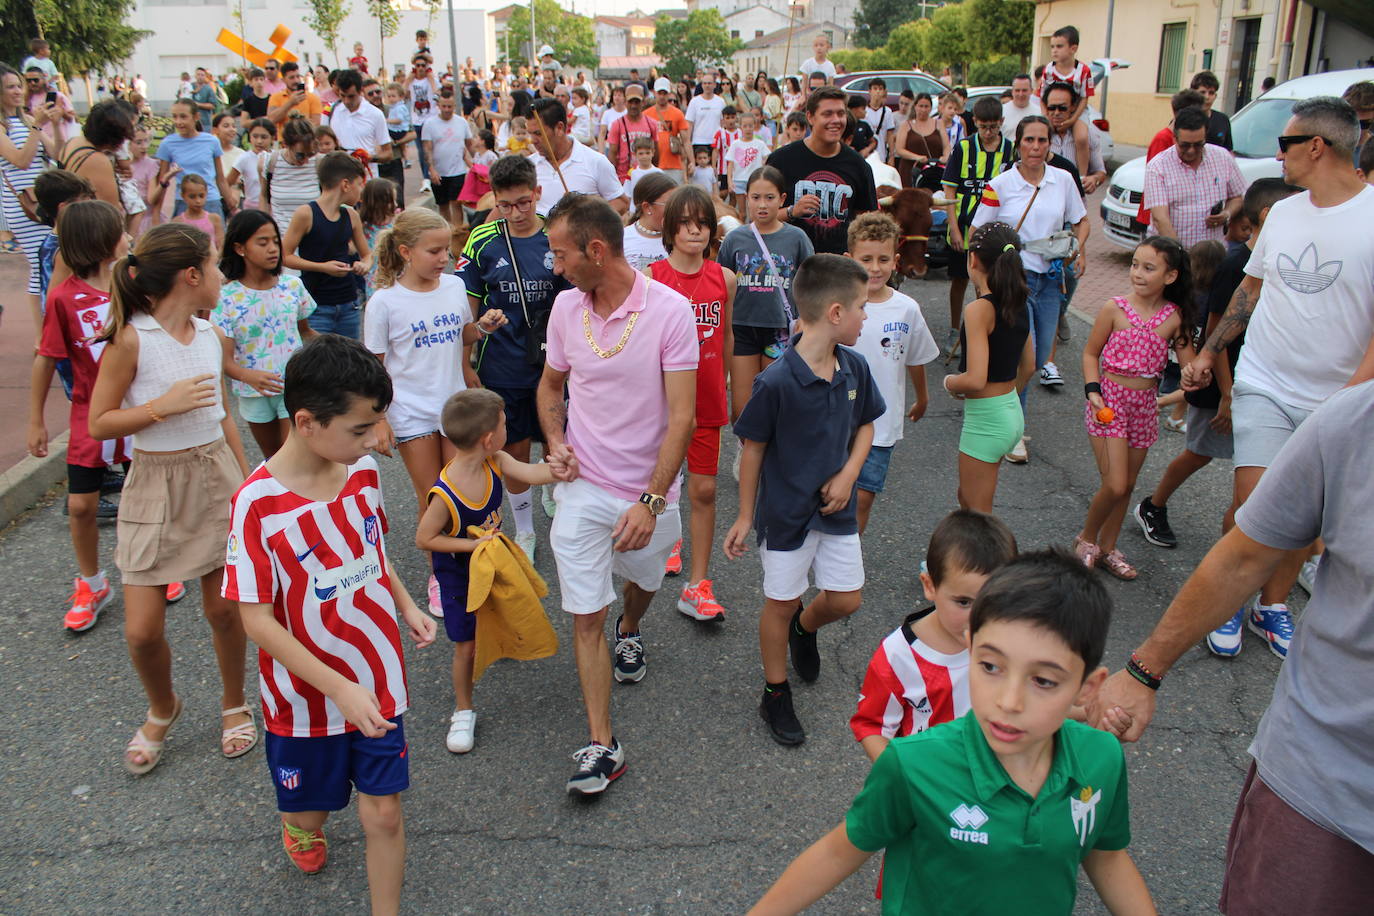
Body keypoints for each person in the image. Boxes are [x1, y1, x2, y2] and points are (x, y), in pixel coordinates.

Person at [752, 550, 1155, 916]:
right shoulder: (913, 765)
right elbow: (838, 852)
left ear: (1087, 688)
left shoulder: (1101, 757)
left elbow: (1106, 856)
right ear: (970, 647)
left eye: (1044, 680)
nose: (1008, 701)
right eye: (991, 667)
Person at [223, 333, 435, 902]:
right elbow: (256, 620)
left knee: (384, 814)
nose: (375, 440)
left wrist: (405, 603)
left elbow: (372, 549)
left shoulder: (362, 472)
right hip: (304, 699)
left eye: (377, 424)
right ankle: (300, 824)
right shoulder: (256, 504)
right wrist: (338, 688)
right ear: (306, 422)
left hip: (377, 682)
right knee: (311, 811)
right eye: (361, 428)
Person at [1181, 96, 1374, 658]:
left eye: (1285, 144)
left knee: (1304, 517)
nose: (1278, 154)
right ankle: (1228, 603)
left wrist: (1344, 406)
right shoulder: (1283, 214)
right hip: (1264, 383)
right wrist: (1207, 354)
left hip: (1335, 399)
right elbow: (1250, 288)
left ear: (1316, 146)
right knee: (1255, 505)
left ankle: (1272, 606)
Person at [536, 194, 698, 795]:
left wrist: (651, 503)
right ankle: (603, 745)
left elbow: (682, 418)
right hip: (582, 489)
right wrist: (556, 441)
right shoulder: (564, 308)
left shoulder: (670, 312)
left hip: (649, 494)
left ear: (597, 250)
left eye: (561, 255)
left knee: (645, 580)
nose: (555, 267)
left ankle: (631, 627)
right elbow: (550, 386)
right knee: (586, 617)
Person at [87, 223, 254, 774]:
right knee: (141, 630)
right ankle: (164, 706)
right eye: (213, 264)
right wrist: (164, 406)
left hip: (215, 473)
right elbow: (99, 422)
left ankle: (234, 702)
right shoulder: (130, 339)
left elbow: (223, 415)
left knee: (224, 609)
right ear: (190, 276)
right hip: (154, 481)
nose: (221, 274)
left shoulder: (210, 335)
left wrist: (246, 482)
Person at [724, 254, 883, 746]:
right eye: (861, 307)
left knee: (847, 598)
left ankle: (805, 629)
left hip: (836, 510)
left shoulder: (854, 367)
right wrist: (746, 516)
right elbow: (753, 448)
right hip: (786, 515)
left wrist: (849, 474)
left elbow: (866, 426)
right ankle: (775, 691)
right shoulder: (775, 380)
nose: (865, 316)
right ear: (835, 313)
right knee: (781, 602)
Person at [365, 208, 505, 613]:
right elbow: (374, 367)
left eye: (447, 250)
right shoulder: (384, 303)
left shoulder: (455, 286)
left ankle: (477, 564)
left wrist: (483, 329)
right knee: (433, 498)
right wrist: (379, 418)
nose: (444, 258)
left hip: (454, 407)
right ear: (405, 251)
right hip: (411, 411)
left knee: (467, 492)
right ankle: (441, 576)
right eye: (434, 251)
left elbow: (463, 334)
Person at [415, 388, 559, 754]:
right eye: (505, 424)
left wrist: (564, 469)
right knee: (465, 645)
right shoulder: (444, 494)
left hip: (492, 563)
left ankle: (501, 643)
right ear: (489, 437)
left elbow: (532, 472)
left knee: (503, 609)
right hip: (459, 576)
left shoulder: (495, 460)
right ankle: (463, 710)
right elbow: (424, 538)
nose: (509, 429)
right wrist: (473, 545)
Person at [26, 201, 134, 631]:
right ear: (101, 241)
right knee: (81, 505)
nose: (128, 236)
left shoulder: (134, 283)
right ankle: (92, 583)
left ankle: (150, 567)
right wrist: (36, 419)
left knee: (144, 497)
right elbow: (46, 358)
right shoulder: (62, 298)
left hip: (138, 411)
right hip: (91, 415)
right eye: (120, 231)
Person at [458, 155, 572, 559]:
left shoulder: (557, 233)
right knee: (515, 446)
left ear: (537, 192)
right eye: (505, 205)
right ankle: (524, 529)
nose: (516, 213)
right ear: (494, 200)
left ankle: (553, 493)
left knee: (557, 439)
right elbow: (467, 309)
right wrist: (466, 363)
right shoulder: (481, 240)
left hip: (556, 361)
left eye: (524, 202)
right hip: (503, 363)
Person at [850, 510, 1017, 762]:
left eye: (994, 602)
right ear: (930, 586)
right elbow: (872, 726)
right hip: (930, 776)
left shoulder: (1013, 638)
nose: (979, 617)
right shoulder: (898, 655)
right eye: (964, 602)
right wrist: (901, 775)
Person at [971, 116, 1088, 464]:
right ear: (1018, 143)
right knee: (1023, 356)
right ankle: (1013, 430)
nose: (1035, 147)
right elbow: (978, 234)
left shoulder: (1062, 179)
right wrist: (981, 283)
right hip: (1013, 282)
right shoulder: (1000, 185)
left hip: (1051, 280)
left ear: (1050, 144)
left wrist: (1078, 248)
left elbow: (1081, 220)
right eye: (1029, 140)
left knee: (1037, 362)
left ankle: (1001, 410)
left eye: (1042, 140)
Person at [1076, 237, 1192, 581]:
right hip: (1109, 403)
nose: (1138, 273)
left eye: (1148, 268)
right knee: (1114, 484)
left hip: (1144, 409)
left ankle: (1108, 548)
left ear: (1170, 276)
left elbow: (1190, 370)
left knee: (1127, 484)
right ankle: (1086, 540)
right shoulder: (1114, 308)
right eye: (1134, 265)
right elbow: (1090, 353)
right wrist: (1093, 391)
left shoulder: (1175, 317)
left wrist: (1200, 369)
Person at [648, 185, 735, 618]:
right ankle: (654, 557)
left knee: (704, 489)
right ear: (669, 229)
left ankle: (699, 584)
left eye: (702, 223)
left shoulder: (725, 278)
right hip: (660, 403)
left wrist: (728, 383)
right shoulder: (650, 278)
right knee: (656, 486)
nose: (694, 231)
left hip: (706, 401)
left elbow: (728, 335)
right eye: (684, 223)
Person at [846, 213, 937, 532]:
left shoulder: (907, 308)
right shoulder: (838, 304)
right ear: (849, 259)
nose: (875, 268)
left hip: (881, 423)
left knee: (862, 498)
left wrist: (922, 398)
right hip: (835, 419)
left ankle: (849, 557)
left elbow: (915, 357)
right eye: (866, 259)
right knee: (830, 494)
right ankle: (828, 552)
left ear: (896, 261)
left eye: (883, 259)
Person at [213, 209, 318, 459]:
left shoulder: (292, 286)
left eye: (275, 241)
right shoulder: (225, 298)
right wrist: (248, 376)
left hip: (294, 388)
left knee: (294, 456)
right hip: (253, 393)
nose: (273, 249)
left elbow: (305, 332)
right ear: (240, 248)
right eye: (262, 242)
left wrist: (341, 350)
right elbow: (224, 360)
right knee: (272, 459)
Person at [942, 223, 1033, 513]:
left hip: (986, 420)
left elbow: (975, 379)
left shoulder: (978, 309)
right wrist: (1005, 397)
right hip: (1010, 411)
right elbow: (1029, 365)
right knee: (967, 498)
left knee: (977, 514)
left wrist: (950, 383)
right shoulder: (1020, 301)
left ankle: (989, 548)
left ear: (973, 260)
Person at [719, 166, 813, 425]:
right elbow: (722, 284)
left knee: (775, 406)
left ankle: (773, 452)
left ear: (782, 199)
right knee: (742, 411)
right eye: (756, 197)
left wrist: (807, 319)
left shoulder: (796, 238)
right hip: (741, 329)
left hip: (780, 329)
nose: (762, 205)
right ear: (746, 198)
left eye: (769, 198)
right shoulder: (734, 239)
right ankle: (747, 452)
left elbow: (810, 283)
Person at [766, 88, 878, 256]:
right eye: (827, 114)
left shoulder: (859, 166)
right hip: (788, 262)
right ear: (810, 117)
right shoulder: (780, 160)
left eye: (841, 114)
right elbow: (760, 218)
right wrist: (792, 211)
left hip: (839, 265)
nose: (836, 120)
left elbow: (868, 224)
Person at [941, 96, 1015, 353]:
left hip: (995, 233)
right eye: (983, 127)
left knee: (988, 283)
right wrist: (953, 229)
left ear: (1001, 122)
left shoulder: (1010, 150)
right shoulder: (963, 148)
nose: (988, 132)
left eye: (993, 127)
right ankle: (954, 328)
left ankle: (982, 330)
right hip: (963, 228)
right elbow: (949, 191)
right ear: (974, 122)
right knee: (960, 279)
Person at [0, 63, 64, 327]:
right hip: (23, 206)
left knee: (50, 261)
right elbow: (21, 160)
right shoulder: (3, 126)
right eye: (10, 87)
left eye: (19, 85)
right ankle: (41, 335)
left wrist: (55, 125)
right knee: (39, 267)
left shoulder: (26, 120)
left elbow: (57, 154)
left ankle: (49, 329)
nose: (17, 91)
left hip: (44, 202)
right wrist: (37, 126)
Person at [282, 151, 370, 338]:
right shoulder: (306, 214)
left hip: (348, 303)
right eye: (359, 184)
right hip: (316, 305)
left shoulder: (351, 215)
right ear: (345, 185)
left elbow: (367, 255)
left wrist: (364, 265)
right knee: (319, 356)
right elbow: (285, 256)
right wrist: (322, 267)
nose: (360, 191)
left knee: (349, 355)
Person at [1144, 106, 1245, 249]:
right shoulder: (1158, 167)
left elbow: (1237, 197)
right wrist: (1180, 254)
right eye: (1184, 145)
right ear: (1174, 138)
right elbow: (1160, 219)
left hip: (1214, 252)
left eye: (1198, 145)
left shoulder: (1223, 157)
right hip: (1173, 252)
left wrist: (1226, 214)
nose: (1191, 151)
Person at [527, 98, 627, 216]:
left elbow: (621, 202)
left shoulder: (595, 162)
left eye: (538, 133)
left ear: (559, 128)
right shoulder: (527, 166)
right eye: (530, 133)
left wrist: (587, 218)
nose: (532, 140)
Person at [157, 99, 231, 218]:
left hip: (210, 200)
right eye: (175, 117)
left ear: (196, 117)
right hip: (183, 201)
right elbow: (162, 181)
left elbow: (220, 179)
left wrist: (231, 204)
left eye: (183, 117)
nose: (178, 122)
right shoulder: (167, 143)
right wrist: (156, 213)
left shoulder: (211, 141)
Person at [422, 89, 473, 231]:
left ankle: (458, 231)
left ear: (454, 106)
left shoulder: (461, 122)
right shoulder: (430, 124)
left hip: (458, 170)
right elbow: (427, 149)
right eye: (443, 106)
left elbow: (469, 144)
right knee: (443, 204)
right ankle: (447, 231)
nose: (446, 109)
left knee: (456, 203)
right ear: (438, 105)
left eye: (449, 106)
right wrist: (431, 169)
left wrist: (472, 164)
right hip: (439, 171)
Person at [262, 115, 320, 238]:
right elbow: (263, 197)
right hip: (281, 237)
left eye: (309, 154)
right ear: (286, 145)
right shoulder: (270, 162)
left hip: (312, 238)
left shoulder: (318, 163)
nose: (305, 160)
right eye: (300, 155)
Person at [329, 69, 392, 176]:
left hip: (366, 177)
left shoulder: (375, 114)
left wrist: (369, 158)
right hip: (341, 177)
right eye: (342, 96)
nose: (346, 101)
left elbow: (388, 153)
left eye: (351, 96)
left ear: (360, 91)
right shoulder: (335, 111)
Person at [1038, 25, 1093, 129]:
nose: (1054, 50)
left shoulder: (1083, 71)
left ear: (1073, 49)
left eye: (1059, 46)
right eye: (1052, 47)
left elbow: (1084, 98)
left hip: (1077, 113)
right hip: (1052, 113)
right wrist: (1046, 116)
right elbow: (1041, 96)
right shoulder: (1048, 70)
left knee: (1081, 136)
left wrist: (1072, 120)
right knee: (1043, 131)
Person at [606, 84, 659, 185]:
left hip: (646, 178)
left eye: (637, 102)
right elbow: (612, 154)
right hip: (624, 178)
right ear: (625, 102)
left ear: (643, 102)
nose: (633, 106)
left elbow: (656, 152)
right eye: (630, 102)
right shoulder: (617, 124)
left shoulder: (651, 124)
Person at [893, 93, 944, 190]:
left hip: (933, 171)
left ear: (931, 108)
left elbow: (946, 146)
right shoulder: (906, 125)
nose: (923, 110)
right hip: (911, 171)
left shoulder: (939, 124)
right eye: (921, 106)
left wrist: (945, 157)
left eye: (926, 106)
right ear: (915, 106)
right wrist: (917, 157)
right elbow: (899, 149)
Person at [405, 55, 441, 194]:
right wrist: (408, 79)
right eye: (417, 65)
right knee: (421, 151)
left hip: (430, 119)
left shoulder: (431, 80)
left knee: (430, 148)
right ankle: (425, 177)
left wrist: (431, 79)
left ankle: (430, 174)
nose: (420, 68)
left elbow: (437, 92)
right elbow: (402, 92)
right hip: (417, 120)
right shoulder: (411, 81)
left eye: (423, 65)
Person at [724, 112, 770, 211]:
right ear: (740, 127)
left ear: (754, 126)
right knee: (742, 212)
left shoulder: (760, 144)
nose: (748, 129)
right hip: (739, 180)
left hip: (755, 180)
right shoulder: (735, 144)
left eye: (750, 126)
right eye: (745, 126)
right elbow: (730, 164)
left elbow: (768, 158)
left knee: (754, 210)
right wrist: (729, 181)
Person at [171, 174, 224, 252]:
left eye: (201, 196)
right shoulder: (177, 222)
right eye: (192, 196)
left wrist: (216, 257)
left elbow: (221, 245)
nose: (198, 201)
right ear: (183, 196)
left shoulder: (214, 219)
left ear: (206, 193)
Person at [268, 62, 323, 126]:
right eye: (291, 78)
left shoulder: (313, 98)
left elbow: (317, 123)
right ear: (283, 80)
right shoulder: (275, 97)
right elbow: (271, 120)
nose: (296, 80)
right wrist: (290, 103)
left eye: (298, 76)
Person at [1190, 71, 1232, 150]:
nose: (1207, 97)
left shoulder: (1223, 119)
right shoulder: (1183, 119)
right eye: (1202, 92)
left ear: (1215, 96)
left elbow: (1228, 151)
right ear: (1193, 93)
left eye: (1211, 93)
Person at [685, 74, 725, 158]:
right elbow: (689, 124)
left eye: (709, 83)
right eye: (705, 83)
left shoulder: (720, 101)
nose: (707, 86)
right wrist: (687, 142)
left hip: (716, 142)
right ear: (702, 85)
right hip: (699, 142)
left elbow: (723, 123)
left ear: (714, 85)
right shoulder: (694, 102)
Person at [860, 79, 896, 164]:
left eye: (880, 89)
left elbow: (890, 135)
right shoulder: (863, 111)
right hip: (865, 154)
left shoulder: (887, 111)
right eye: (875, 88)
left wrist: (891, 156)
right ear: (870, 91)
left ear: (884, 92)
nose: (878, 92)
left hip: (881, 155)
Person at [1001, 73, 1043, 141]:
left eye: (1024, 90)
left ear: (1031, 91)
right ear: (1012, 91)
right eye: (1017, 90)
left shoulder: (1039, 113)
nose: (1021, 94)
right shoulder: (1001, 111)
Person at [597, 84, 627, 153]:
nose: (617, 97)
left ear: (625, 98)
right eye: (615, 95)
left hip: (625, 148)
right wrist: (601, 151)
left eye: (619, 95)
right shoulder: (607, 113)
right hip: (610, 148)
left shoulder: (628, 113)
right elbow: (602, 133)